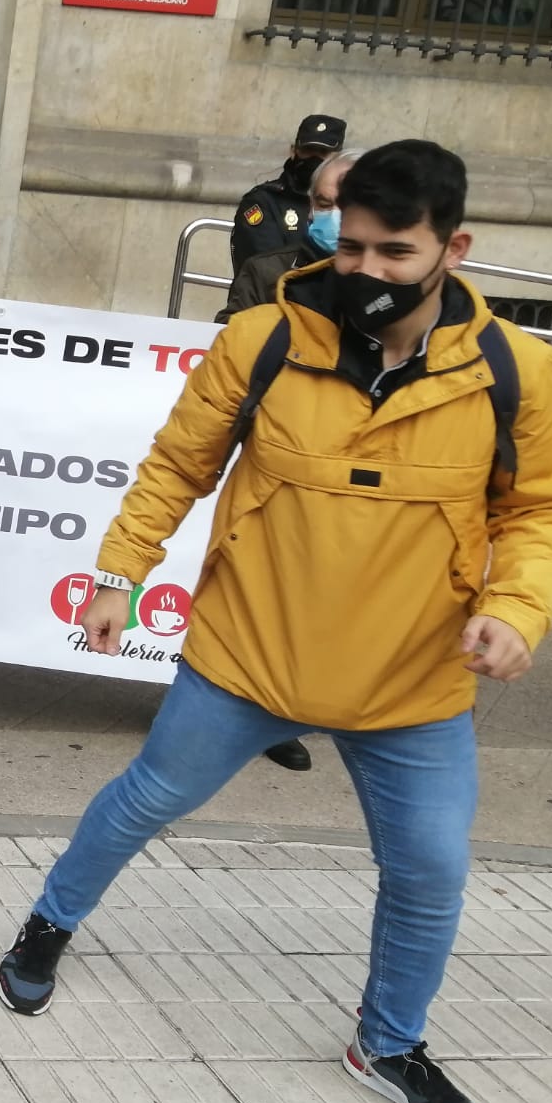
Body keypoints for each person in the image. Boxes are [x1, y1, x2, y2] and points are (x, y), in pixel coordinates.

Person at [0, 141, 552, 1103]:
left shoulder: (513, 371)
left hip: (411, 676)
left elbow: (536, 510)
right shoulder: (260, 340)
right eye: (348, 245)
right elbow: (174, 469)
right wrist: (117, 581)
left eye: (393, 251)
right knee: (143, 799)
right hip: (247, 652)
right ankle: (47, 922)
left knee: (430, 869)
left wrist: (517, 612)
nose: (363, 270)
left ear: (454, 246)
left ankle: (386, 1044)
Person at [219, 145, 361, 774]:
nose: (330, 217)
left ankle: (308, 705)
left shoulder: (414, 295)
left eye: (344, 206)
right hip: (276, 466)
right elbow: (229, 362)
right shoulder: (268, 274)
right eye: (322, 204)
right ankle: (259, 714)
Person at [229, 113, 344, 274]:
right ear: (293, 151)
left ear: (338, 158)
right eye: (308, 150)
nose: (315, 158)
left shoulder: (348, 206)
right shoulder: (263, 202)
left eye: (323, 152)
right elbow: (264, 271)